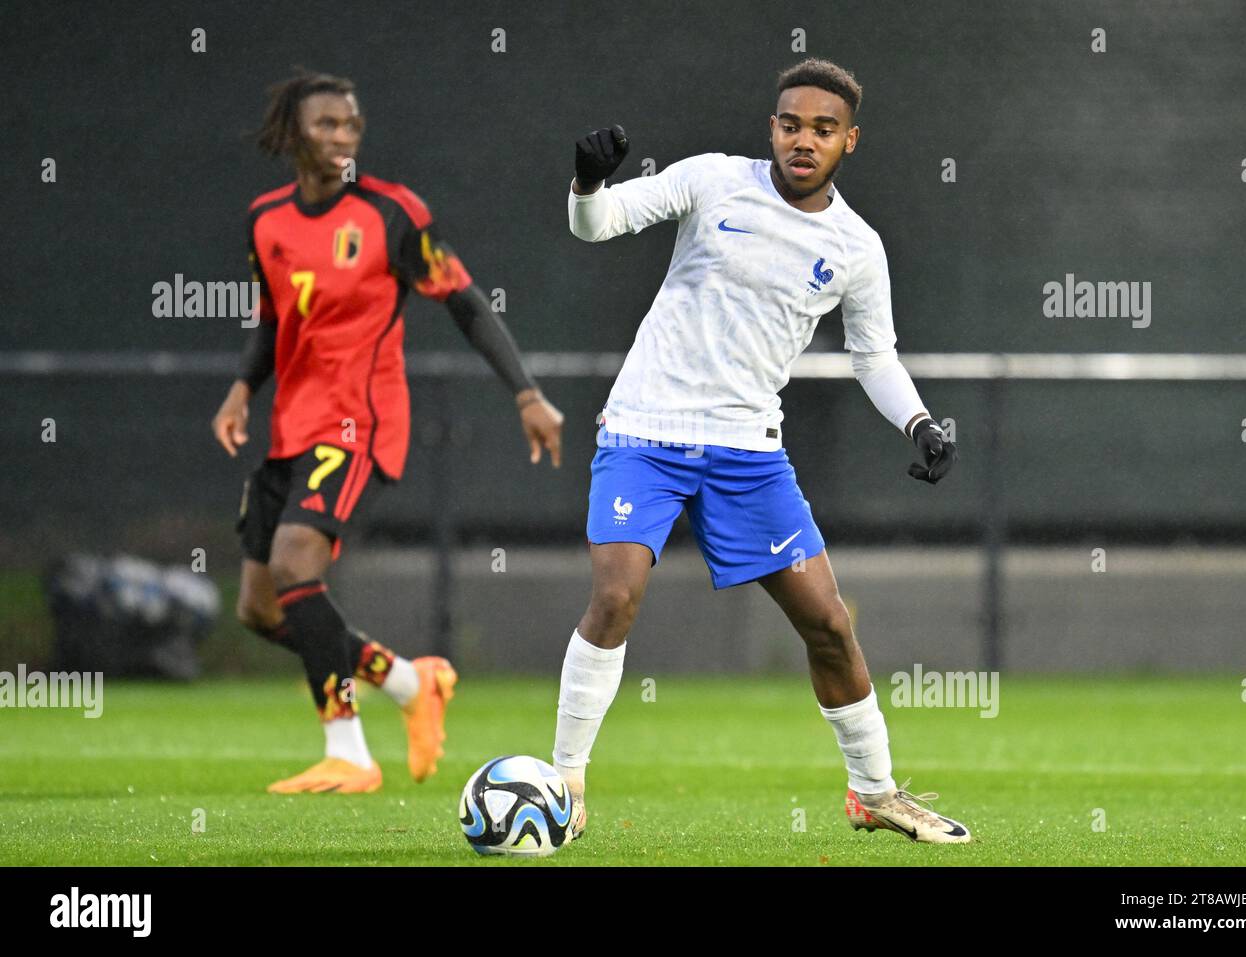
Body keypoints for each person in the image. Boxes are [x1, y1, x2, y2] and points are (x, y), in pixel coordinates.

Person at [554, 58, 969, 842]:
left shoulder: (856, 246)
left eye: (823, 128)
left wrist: (918, 422)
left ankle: (875, 792)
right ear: (771, 127)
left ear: (851, 140)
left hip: (747, 451)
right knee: (615, 596)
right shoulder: (712, 180)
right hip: (646, 430)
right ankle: (566, 784)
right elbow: (599, 225)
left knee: (829, 623)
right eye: (790, 123)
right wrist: (585, 184)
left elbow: (873, 356)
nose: (802, 139)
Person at [211, 69, 564, 794]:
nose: (343, 137)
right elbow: (276, 319)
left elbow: (465, 302)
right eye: (326, 125)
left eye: (351, 124)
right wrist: (242, 390)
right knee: (258, 606)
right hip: (290, 428)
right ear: (291, 135)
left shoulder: (392, 215)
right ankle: (410, 683)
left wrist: (527, 393)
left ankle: (349, 751)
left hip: (359, 421)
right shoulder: (265, 221)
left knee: (295, 563)